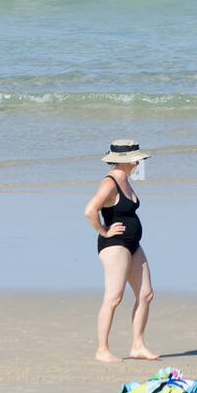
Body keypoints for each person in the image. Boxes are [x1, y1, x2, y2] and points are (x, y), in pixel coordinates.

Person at [84, 139, 158, 363]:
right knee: (114, 298)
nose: (138, 162)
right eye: (135, 159)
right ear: (125, 160)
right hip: (115, 245)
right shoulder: (110, 182)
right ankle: (102, 350)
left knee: (146, 294)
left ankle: (138, 345)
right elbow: (90, 210)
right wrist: (104, 231)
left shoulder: (125, 180)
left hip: (133, 244)